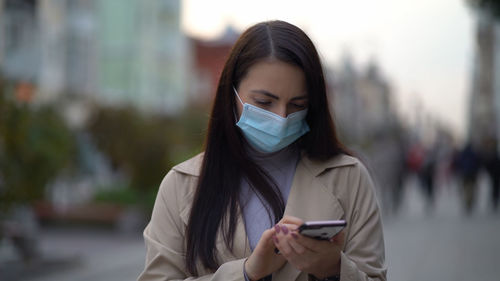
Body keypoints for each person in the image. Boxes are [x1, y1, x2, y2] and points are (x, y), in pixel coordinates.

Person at [138, 20, 386, 281]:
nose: (280, 117)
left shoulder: (350, 178)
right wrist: (245, 273)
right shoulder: (181, 185)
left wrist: (334, 268)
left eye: (296, 104)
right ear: (231, 94)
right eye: (264, 102)